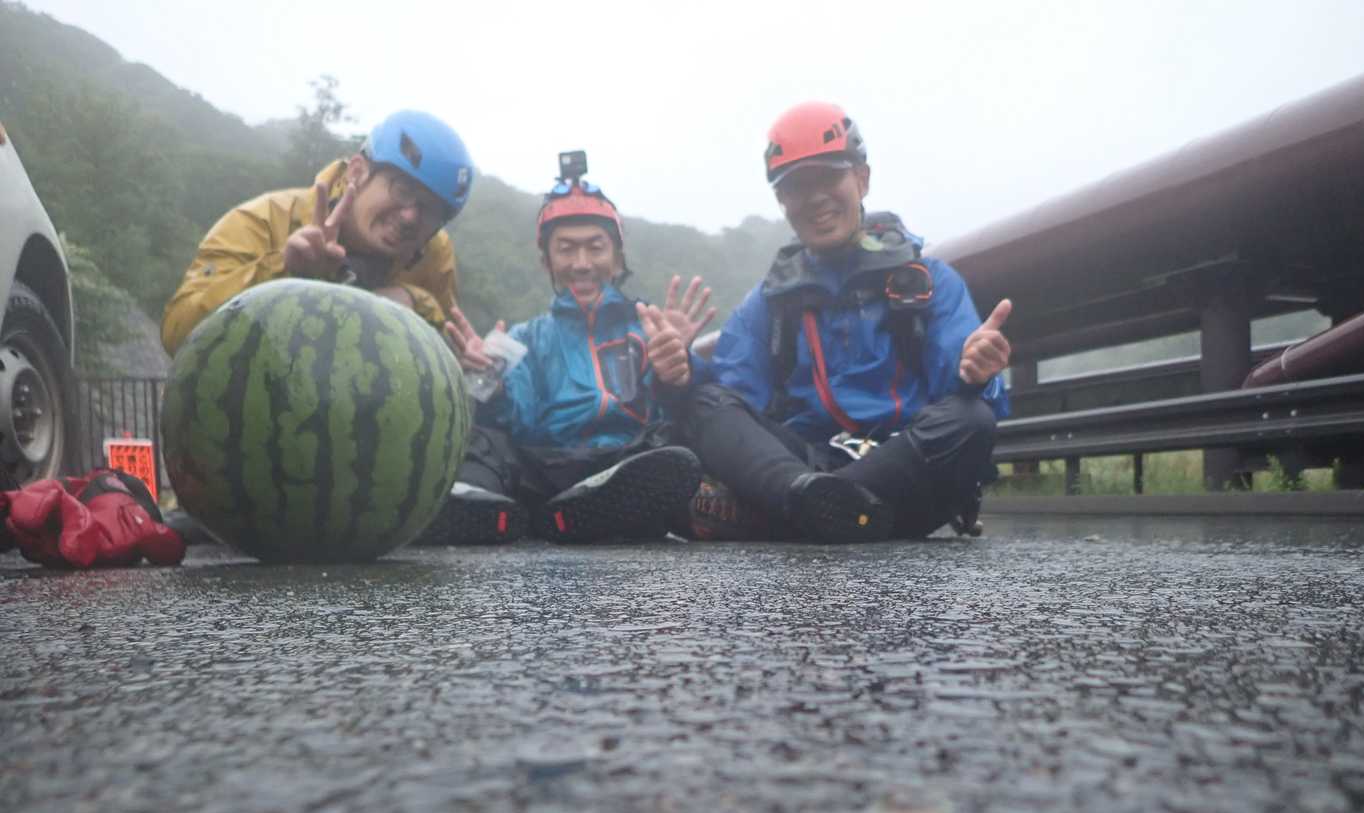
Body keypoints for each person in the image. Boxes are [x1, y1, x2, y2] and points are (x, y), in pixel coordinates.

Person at [682, 102, 1013, 543]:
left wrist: (977, 375)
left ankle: (787, 514)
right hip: (804, 469)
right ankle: (814, 505)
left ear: (862, 178)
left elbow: (961, 397)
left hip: (902, 472)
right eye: (797, 185)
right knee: (705, 401)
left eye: (829, 176)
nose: (815, 196)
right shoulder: (767, 305)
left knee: (972, 420)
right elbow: (736, 403)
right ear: (782, 201)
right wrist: (681, 372)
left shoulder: (930, 282)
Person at [418, 154, 715, 545]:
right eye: (566, 249)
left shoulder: (651, 329)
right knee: (484, 437)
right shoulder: (522, 338)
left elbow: (683, 406)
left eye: (595, 248)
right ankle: (475, 508)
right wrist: (489, 383)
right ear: (547, 261)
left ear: (617, 257)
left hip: (624, 466)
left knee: (666, 446)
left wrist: (678, 371)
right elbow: (518, 421)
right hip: (546, 468)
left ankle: (577, 513)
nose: (582, 263)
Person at [161, 110, 475, 355]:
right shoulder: (266, 220)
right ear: (357, 172)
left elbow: (443, 348)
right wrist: (283, 272)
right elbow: (178, 335)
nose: (410, 217)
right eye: (402, 190)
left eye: (429, 209)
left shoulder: (433, 254)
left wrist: (418, 305)